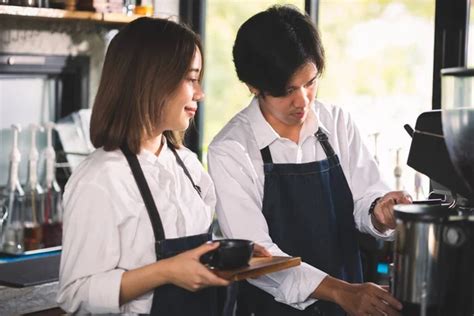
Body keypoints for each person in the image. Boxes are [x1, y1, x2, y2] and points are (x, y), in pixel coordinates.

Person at [208, 5, 411, 316]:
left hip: (349, 306)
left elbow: (364, 199)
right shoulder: (231, 150)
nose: (302, 101)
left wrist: (380, 212)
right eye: (288, 90)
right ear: (253, 86)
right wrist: (343, 292)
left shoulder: (337, 123)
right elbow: (259, 258)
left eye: (310, 82)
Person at [57, 17, 268, 315]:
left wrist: (224, 255)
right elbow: (74, 294)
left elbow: (191, 247)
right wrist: (166, 271)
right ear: (152, 79)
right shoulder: (100, 178)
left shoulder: (187, 164)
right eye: (191, 79)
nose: (200, 93)